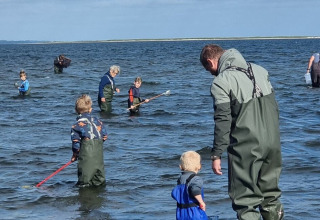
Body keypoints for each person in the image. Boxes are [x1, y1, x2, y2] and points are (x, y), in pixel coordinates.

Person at [200, 44, 284, 220]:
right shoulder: (261, 70)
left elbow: (222, 121)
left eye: (208, 69)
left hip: (246, 146)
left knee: (245, 200)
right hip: (273, 142)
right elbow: (275, 108)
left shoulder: (221, 82)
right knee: (271, 196)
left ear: (210, 61)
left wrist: (216, 155)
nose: (211, 74)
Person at [71, 94, 108, 187]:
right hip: (98, 156)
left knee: (84, 182)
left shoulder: (76, 125)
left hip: (86, 157)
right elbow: (105, 136)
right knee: (99, 181)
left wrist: (75, 154)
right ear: (90, 109)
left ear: (76, 111)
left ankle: (85, 199)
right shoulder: (98, 121)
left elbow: (76, 143)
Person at [171, 151, 208, 220]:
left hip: (181, 213)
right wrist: (201, 202)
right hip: (194, 212)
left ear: (180, 167)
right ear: (199, 166)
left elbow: (174, 194)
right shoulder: (196, 179)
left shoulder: (180, 179)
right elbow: (195, 191)